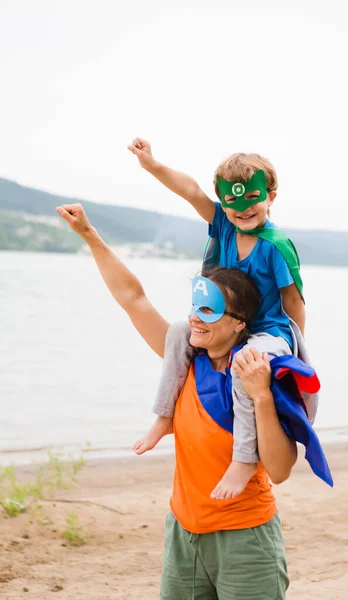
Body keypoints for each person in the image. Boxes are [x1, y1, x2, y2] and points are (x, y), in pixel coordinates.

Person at [56, 202, 297, 599]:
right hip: (183, 535)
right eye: (194, 308)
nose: (195, 319)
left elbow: (281, 469)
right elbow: (133, 298)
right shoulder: (184, 363)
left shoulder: (257, 373)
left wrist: (262, 397)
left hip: (245, 540)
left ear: (239, 323)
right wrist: (88, 234)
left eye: (209, 311)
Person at [128, 139, 309, 500]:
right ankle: (165, 416)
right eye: (232, 202)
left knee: (246, 363)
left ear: (271, 196)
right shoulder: (223, 227)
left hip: (268, 332)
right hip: (228, 325)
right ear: (223, 202)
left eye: (252, 200)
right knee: (179, 331)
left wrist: (292, 355)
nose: (242, 210)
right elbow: (191, 190)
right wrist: (151, 164)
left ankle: (243, 459)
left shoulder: (276, 245)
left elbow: (294, 301)